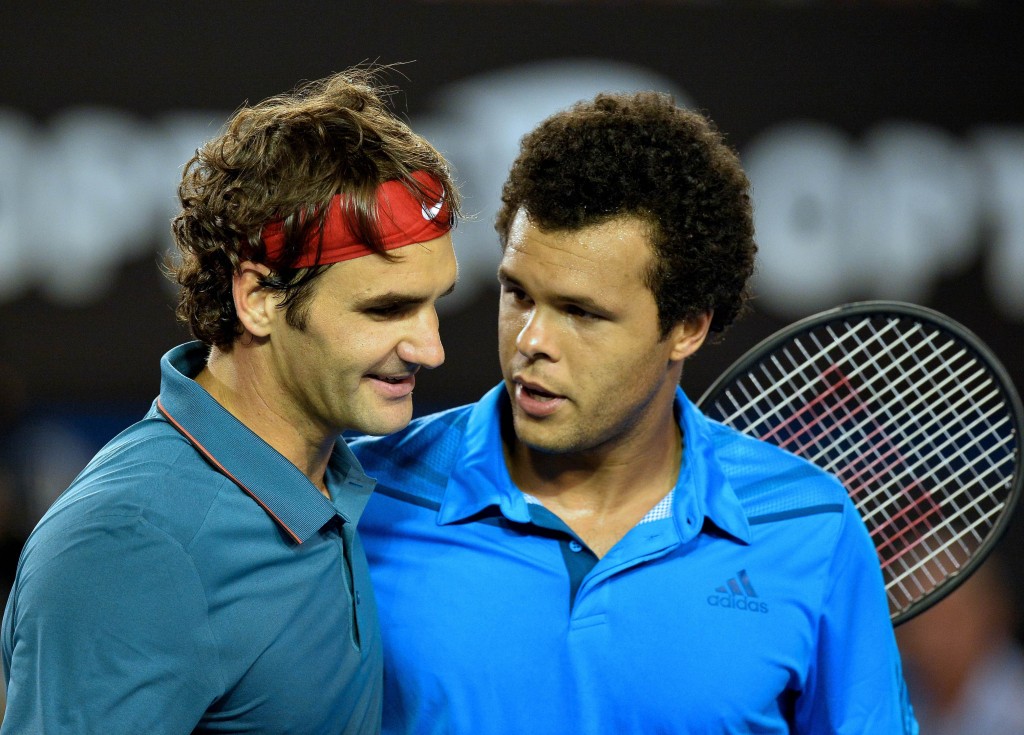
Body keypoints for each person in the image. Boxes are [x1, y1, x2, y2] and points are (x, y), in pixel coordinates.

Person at [350, 91, 918, 733]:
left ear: (687, 327)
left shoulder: (812, 526)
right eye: (518, 294)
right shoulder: (363, 497)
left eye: (582, 313)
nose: (532, 340)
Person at [1, 67, 460, 733]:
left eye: (432, 305)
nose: (430, 348)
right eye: (387, 308)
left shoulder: (336, 478)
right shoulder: (135, 546)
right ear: (261, 298)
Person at [896, 554, 1024, 734]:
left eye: (952, 619)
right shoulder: (897, 693)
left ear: (994, 611)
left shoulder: (1018, 709)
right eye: (923, 622)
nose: (934, 639)